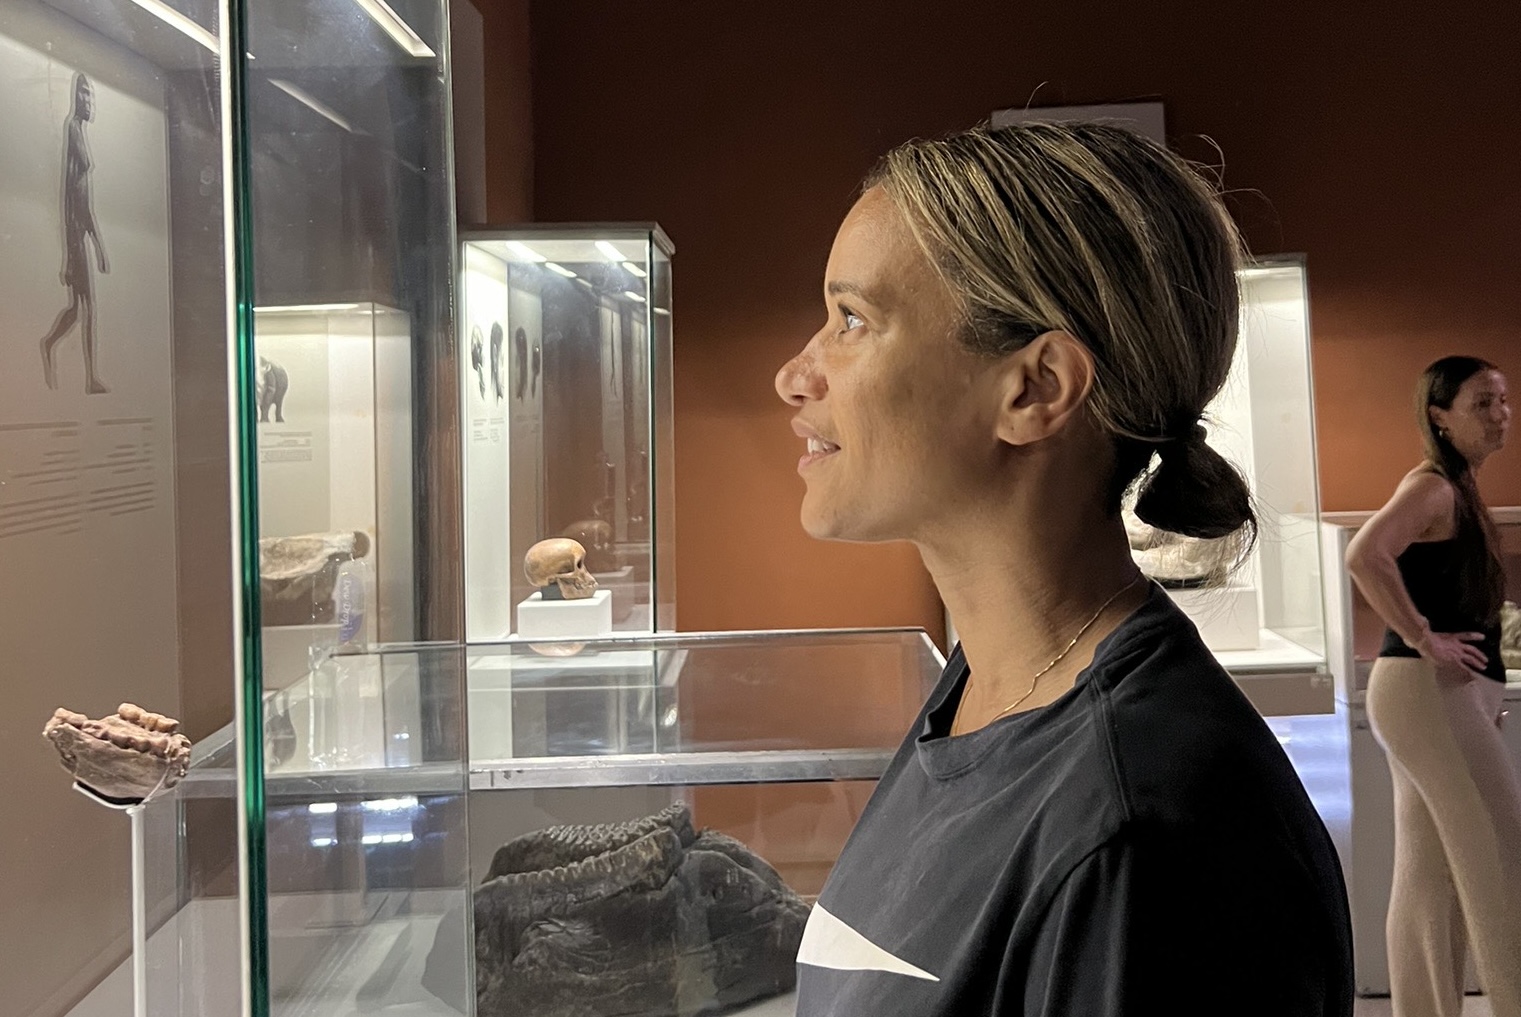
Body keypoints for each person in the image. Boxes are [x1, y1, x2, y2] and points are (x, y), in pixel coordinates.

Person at [773, 122, 1353, 1015]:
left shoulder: (1144, 833)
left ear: (1035, 388)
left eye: (852, 319)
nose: (793, 375)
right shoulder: (986, 692)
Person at [1346, 356, 1521, 1017]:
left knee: (1429, 873)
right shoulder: (1433, 488)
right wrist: (1422, 635)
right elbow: (1364, 554)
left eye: (1503, 400)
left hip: (1435, 694)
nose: (1499, 413)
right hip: (1426, 689)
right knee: (1501, 865)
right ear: (1438, 416)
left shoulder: (1455, 487)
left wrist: (1479, 691)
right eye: (1482, 402)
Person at [38, 72, 110, 395]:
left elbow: (85, 202)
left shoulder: (80, 131)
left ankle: (52, 345)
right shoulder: (71, 129)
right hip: (75, 237)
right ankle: (90, 376)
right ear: (74, 98)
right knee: (86, 307)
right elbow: (71, 198)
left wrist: (99, 245)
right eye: (84, 95)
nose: (88, 102)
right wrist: (72, 253)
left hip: (82, 236)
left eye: (91, 95)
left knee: (80, 309)